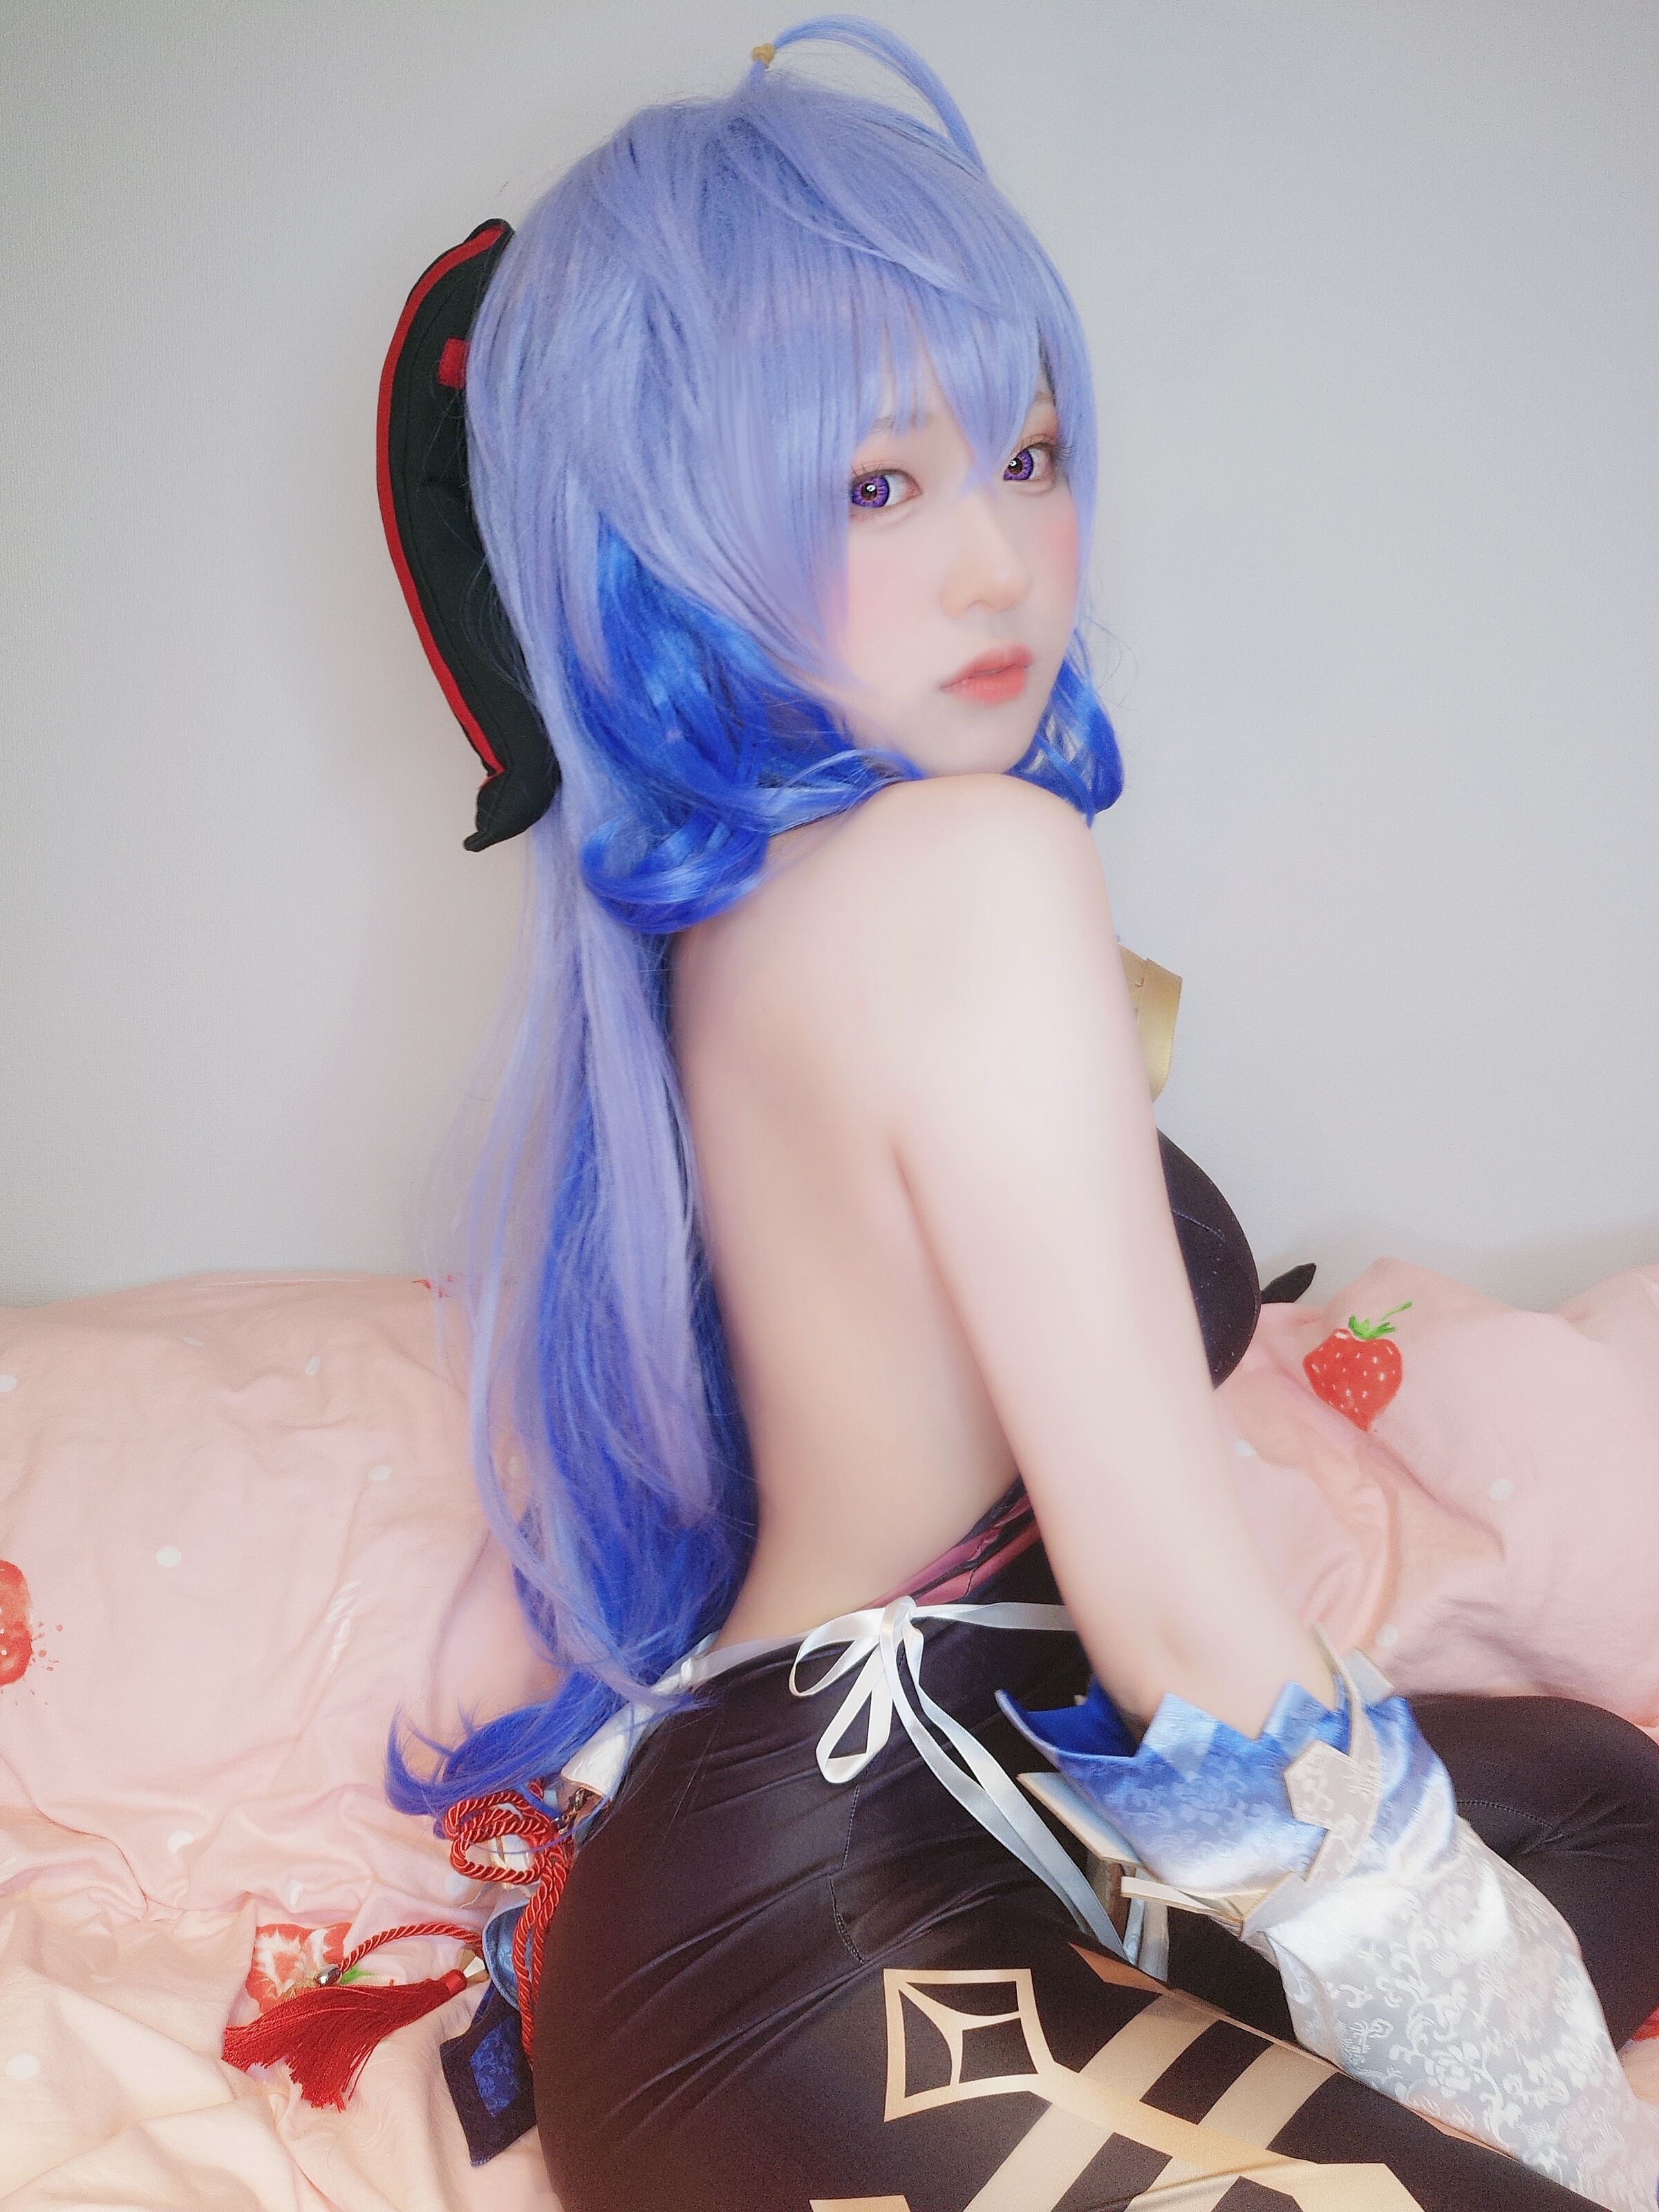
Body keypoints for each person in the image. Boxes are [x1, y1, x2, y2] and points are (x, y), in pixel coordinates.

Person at [386, 19, 1659, 2209]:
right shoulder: (971, 872)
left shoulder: (752, 912)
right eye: (878, 487)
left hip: (976, 1814)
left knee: (1611, 1813)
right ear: (670, 538)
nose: (1002, 562)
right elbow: (1185, 1635)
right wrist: (1572, 2120)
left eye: (1032, 454)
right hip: (809, 1947)